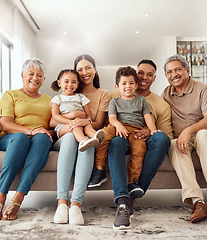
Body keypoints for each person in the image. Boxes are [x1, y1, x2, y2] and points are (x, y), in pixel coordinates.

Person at [100, 59, 172, 230]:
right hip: (121, 137)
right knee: (116, 142)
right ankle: (123, 200)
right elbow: (108, 121)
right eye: (141, 73)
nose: (144, 77)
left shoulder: (160, 104)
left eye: (149, 74)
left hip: (143, 138)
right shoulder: (113, 97)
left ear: (154, 78)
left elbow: (165, 134)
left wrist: (149, 130)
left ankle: (134, 189)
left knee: (162, 139)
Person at [161, 54, 207, 223]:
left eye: (178, 69)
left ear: (187, 70)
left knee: (202, 134)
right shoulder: (166, 94)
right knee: (173, 144)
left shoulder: (203, 89)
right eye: (169, 72)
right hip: (186, 141)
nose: (174, 74)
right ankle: (198, 203)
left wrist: (188, 131)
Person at [0, 59, 54, 221]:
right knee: (21, 138)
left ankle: (19, 197)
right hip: (12, 138)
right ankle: (1, 195)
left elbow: (54, 124)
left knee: (43, 139)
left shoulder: (49, 100)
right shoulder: (10, 95)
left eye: (39, 75)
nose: (35, 78)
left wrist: (45, 132)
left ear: (44, 79)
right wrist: (31, 130)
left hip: (38, 140)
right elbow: (6, 124)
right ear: (23, 75)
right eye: (31, 74)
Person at [51, 54, 111, 225]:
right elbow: (52, 120)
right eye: (80, 69)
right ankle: (61, 203)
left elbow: (97, 122)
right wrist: (73, 116)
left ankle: (76, 204)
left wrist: (83, 120)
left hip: (86, 131)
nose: (84, 72)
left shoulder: (101, 95)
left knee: (89, 145)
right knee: (71, 138)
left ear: (95, 69)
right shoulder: (65, 94)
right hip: (65, 133)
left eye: (88, 67)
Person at [91, 66, 160, 200]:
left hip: (135, 130)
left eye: (131, 83)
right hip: (118, 127)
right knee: (104, 134)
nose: (128, 86)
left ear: (136, 85)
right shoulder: (114, 101)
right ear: (117, 86)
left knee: (139, 150)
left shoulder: (141, 100)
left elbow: (147, 116)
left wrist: (153, 130)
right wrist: (118, 125)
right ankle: (99, 170)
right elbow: (112, 118)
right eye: (124, 83)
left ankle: (132, 182)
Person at [50, 69, 106, 152]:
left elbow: (88, 115)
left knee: (88, 127)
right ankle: (83, 141)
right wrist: (70, 122)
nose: (70, 84)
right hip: (63, 126)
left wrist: (87, 121)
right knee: (76, 127)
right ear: (59, 83)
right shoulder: (57, 99)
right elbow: (55, 116)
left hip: (80, 122)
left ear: (77, 84)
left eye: (73, 82)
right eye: (66, 81)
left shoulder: (81, 97)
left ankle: (96, 138)